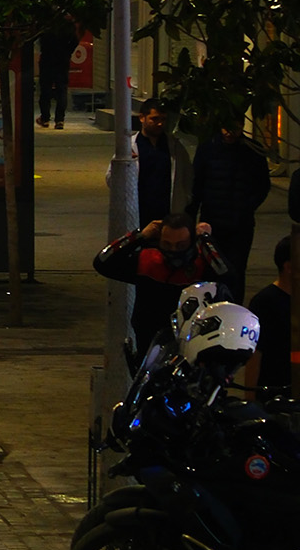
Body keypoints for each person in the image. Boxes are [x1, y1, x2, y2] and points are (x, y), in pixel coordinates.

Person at [95, 213, 234, 353]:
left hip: (192, 338)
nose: (173, 251)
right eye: (167, 244)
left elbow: (226, 275)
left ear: (191, 242)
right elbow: (103, 262)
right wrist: (139, 236)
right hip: (150, 338)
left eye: (181, 245)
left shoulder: (202, 265)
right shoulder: (148, 261)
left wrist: (205, 240)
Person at [191, 123, 271, 300]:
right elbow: (196, 185)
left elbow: (262, 185)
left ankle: (233, 307)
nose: (229, 132)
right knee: (211, 268)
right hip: (213, 222)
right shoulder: (208, 148)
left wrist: (247, 207)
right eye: (226, 127)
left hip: (239, 223)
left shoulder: (252, 150)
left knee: (236, 270)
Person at [241, 235, 293, 395]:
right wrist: (250, 398)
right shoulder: (265, 302)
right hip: (275, 395)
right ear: (289, 267)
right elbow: (255, 355)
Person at [135, 99, 194, 228]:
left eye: (163, 119)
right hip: (141, 212)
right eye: (154, 119)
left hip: (168, 212)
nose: (160, 123)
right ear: (142, 118)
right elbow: (112, 178)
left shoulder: (174, 146)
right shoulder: (132, 146)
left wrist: (185, 199)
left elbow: (187, 175)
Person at [38, 17, 79, 129]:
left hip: (47, 59)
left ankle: (45, 118)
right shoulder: (68, 24)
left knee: (45, 89)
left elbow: (41, 39)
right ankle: (59, 120)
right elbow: (75, 40)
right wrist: (67, 52)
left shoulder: (47, 23)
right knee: (61, 89)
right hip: (62, 60)